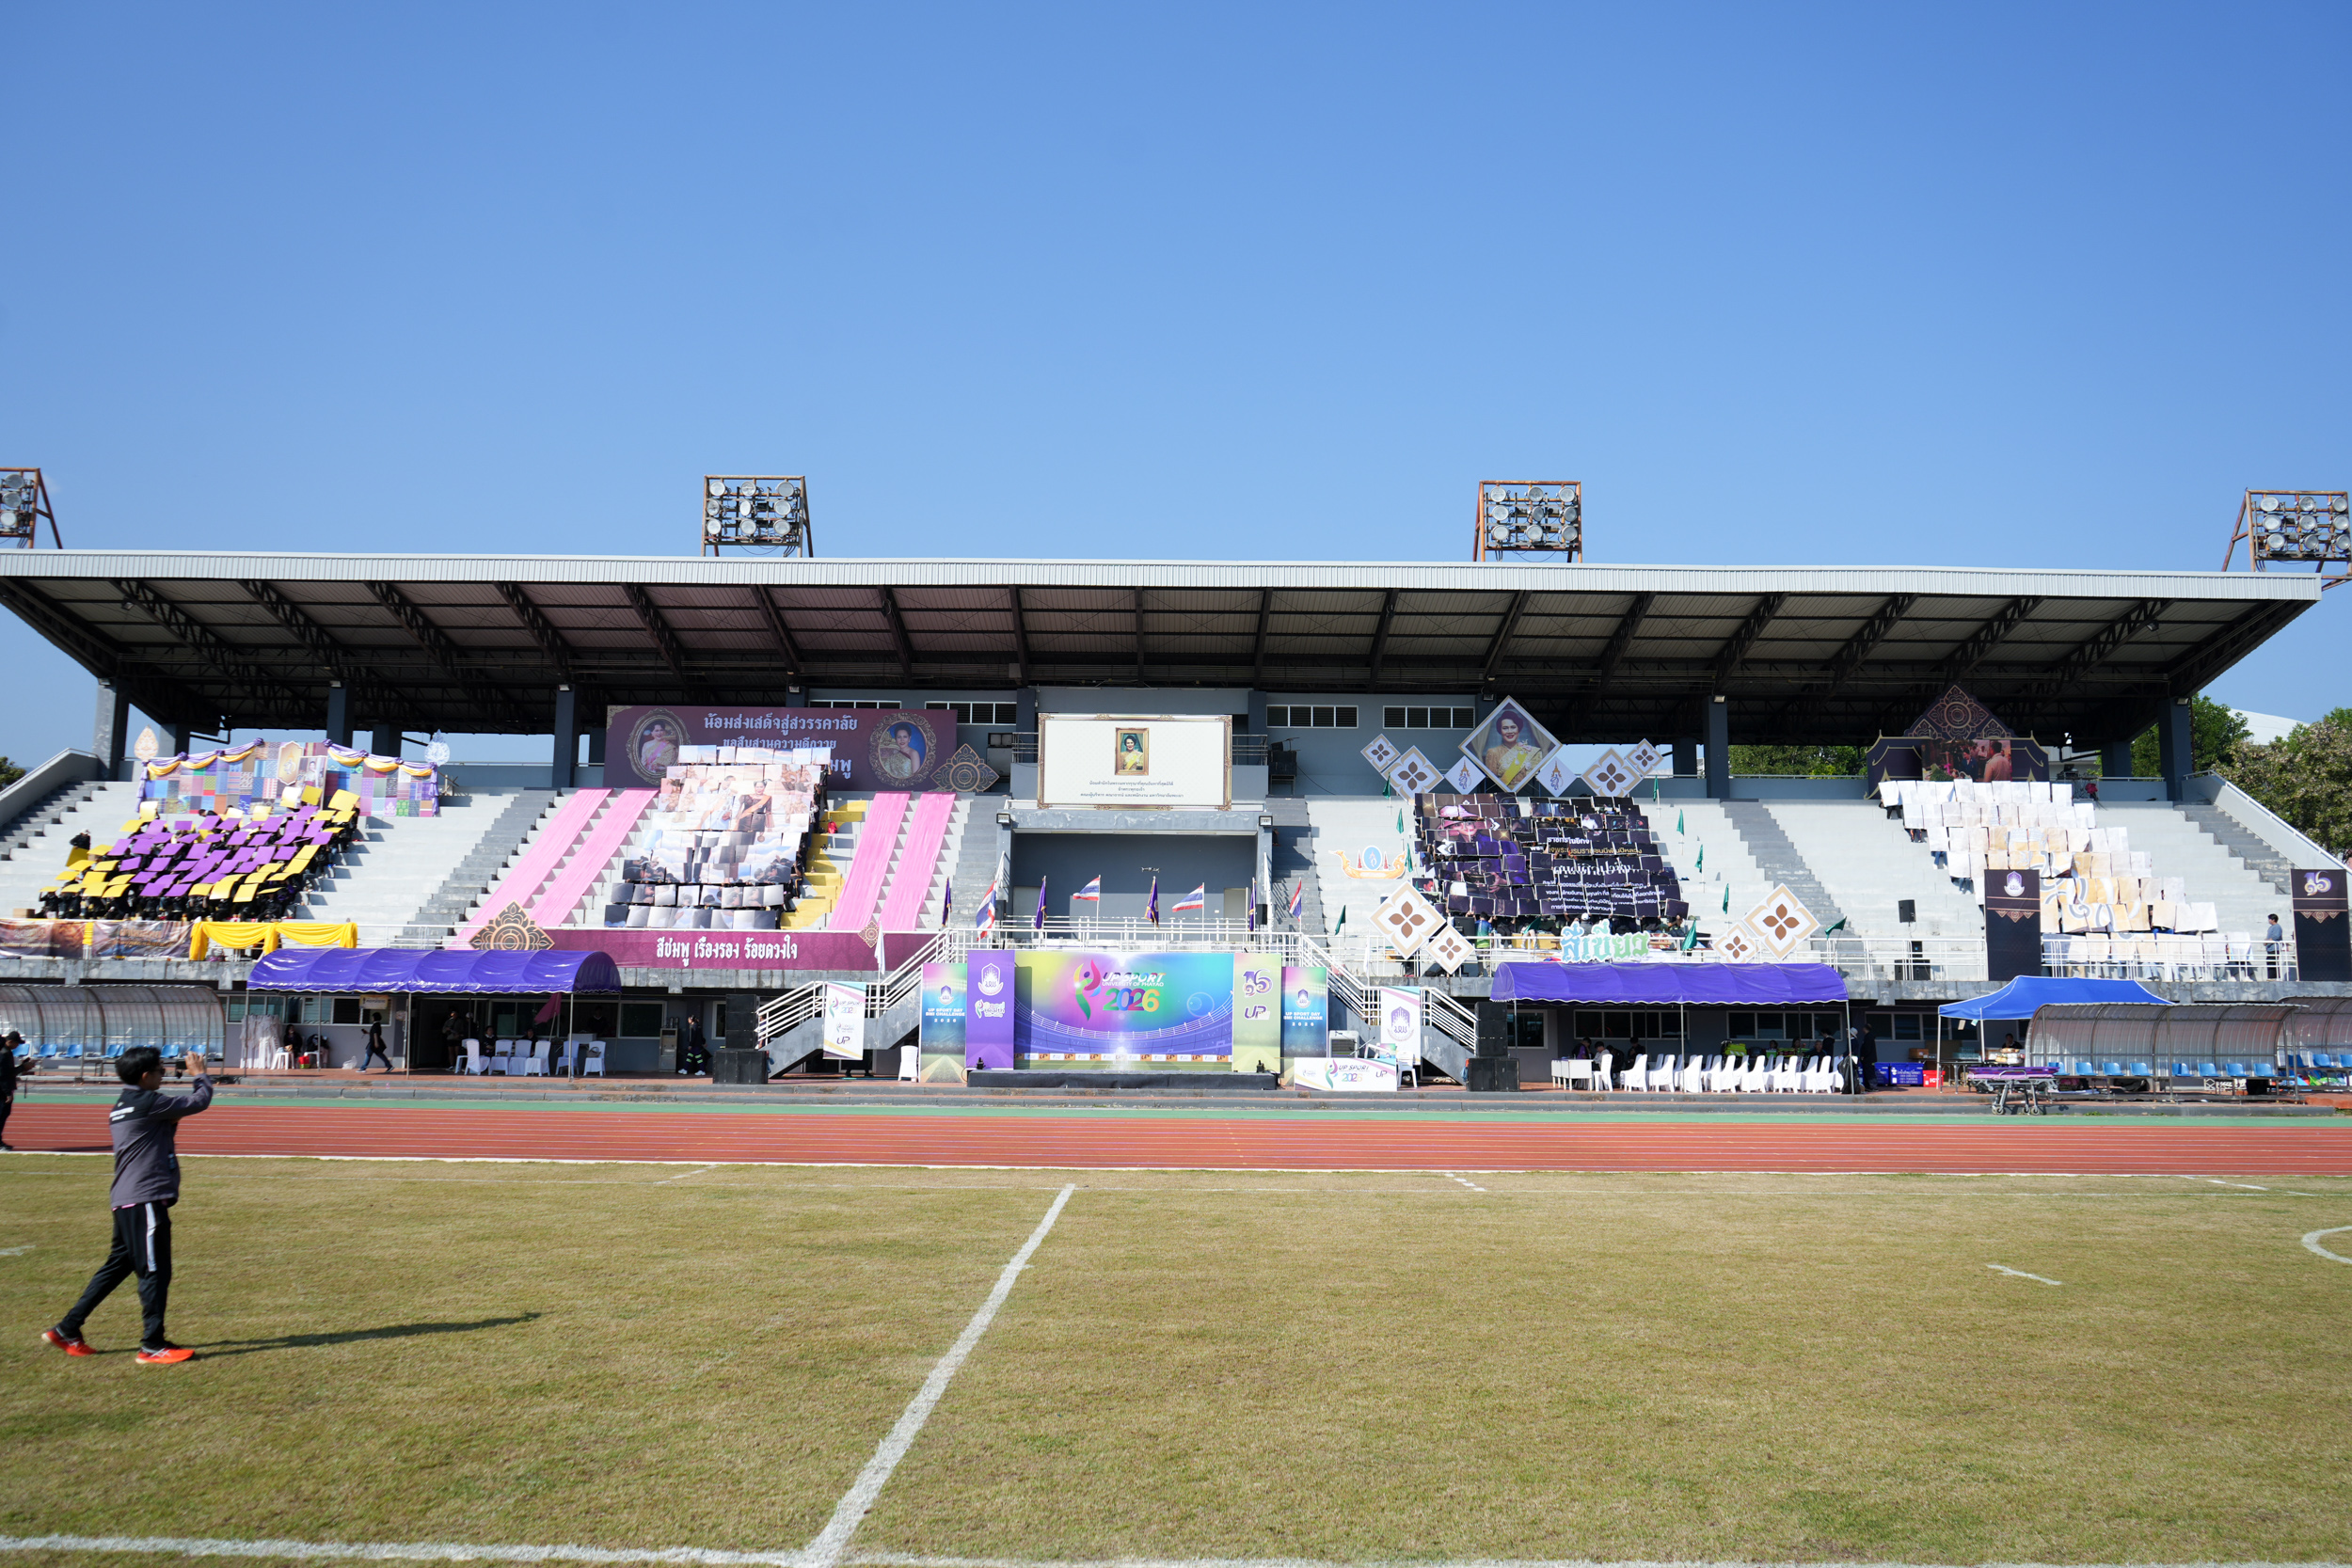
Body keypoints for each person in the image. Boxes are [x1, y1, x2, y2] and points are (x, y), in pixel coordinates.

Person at [42, 1046, 213, 1363]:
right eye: (160, 1071)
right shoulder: (149, 1102)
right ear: (145, 1076)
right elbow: (199, 1101)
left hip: (125, 1199)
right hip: (144, 1199)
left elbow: (161, 1127)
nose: (164, 1074)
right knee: (155, 1270)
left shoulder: (123, 1104)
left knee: (117, 1267)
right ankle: (152, 1345)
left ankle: (67, 1329)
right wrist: (199, 1075)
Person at [0, 1030, 23, 1150]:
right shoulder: (3, 1053)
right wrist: (8, 1093)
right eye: (17, 1043)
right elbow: (3, 1075)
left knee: (4, 1114)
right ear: (10, 1042)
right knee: (1, 1115)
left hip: (4, 1088)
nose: (17, 1046)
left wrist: (23, 1067)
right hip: (2, 1090)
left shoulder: (6, 1052)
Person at [2265, 913, 2285, 978]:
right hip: (2270, 948)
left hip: (2274, 948)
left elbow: (2276, 936)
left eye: (2269, 919)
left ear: (2273, 920)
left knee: (2272, 962)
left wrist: (2267, 941)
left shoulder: (2277, 927)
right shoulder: (2271, 927)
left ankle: (2273, 977)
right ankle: (2272, 977)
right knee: (2270, 962)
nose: (2269, 920)